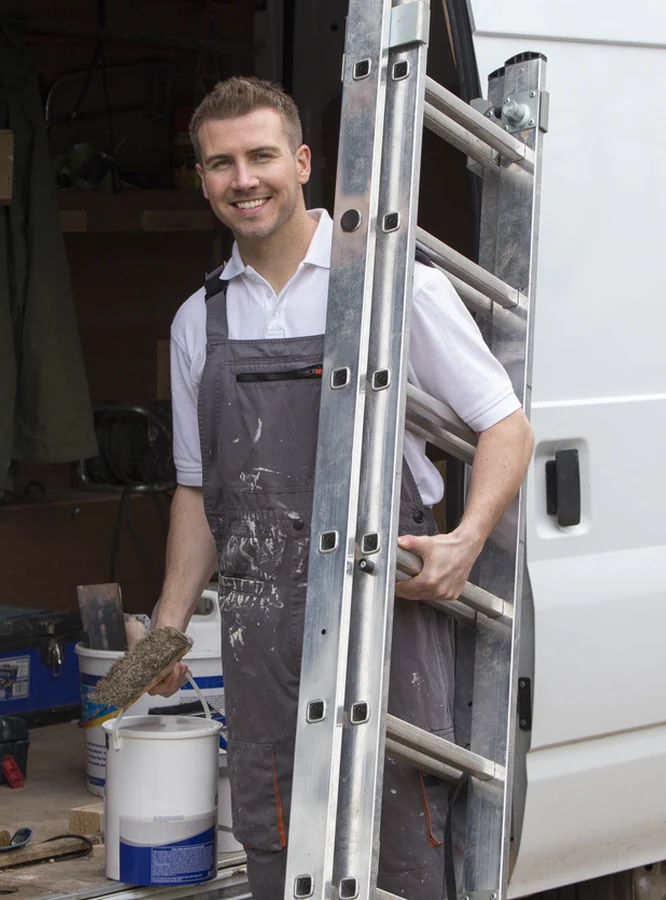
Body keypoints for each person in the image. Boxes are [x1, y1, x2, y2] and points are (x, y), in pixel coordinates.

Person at [150, 75, 534, 900]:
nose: (242, 180)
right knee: (276, 837)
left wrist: (465, 539)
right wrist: (169, 624)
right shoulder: (199, 322)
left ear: (303, 161)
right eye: (221, 164)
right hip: (261, 641)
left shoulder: (397, 286)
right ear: (203, 179)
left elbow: (506, 426)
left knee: (396, 837)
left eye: (260, 156)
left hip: (380, 619)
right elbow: (195, 491)